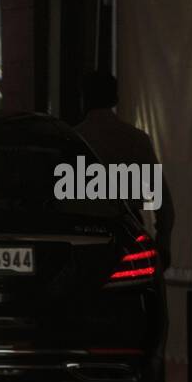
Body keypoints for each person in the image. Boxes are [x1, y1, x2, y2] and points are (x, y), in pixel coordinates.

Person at [75, 71, 176, 272]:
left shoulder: (75, 139)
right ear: (115, 99)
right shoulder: (137, 140)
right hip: (128, 234)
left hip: (83, 236)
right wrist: (162, 245)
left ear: (84, 99)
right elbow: (164, 206)